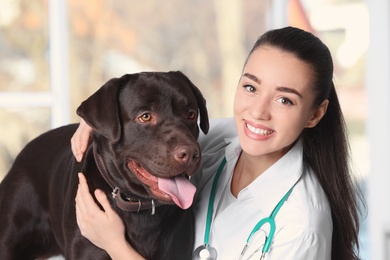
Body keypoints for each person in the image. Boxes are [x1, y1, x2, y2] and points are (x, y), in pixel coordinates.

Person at [72, 26, 364, 259]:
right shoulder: (222, 140)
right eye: (251, 87)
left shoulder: (301, 226)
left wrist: (115, 247)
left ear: (314, 114)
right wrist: (101, 116)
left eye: (284, 99)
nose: (258, 112)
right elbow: (156, 118)